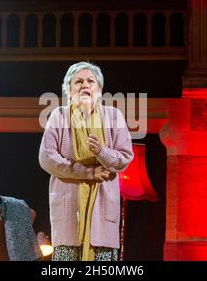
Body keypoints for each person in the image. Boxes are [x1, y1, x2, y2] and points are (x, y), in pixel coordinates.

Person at [38, 61, 134, 261]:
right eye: (78, 82)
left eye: (91, 81)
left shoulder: (114, 116)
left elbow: (125, 158)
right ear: (69, 89)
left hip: (103, 212)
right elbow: (46, 158)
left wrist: (102, 151)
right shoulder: (59, 116)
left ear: (99, 89)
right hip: (68, 212)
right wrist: (87, 172)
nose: (85, 85)